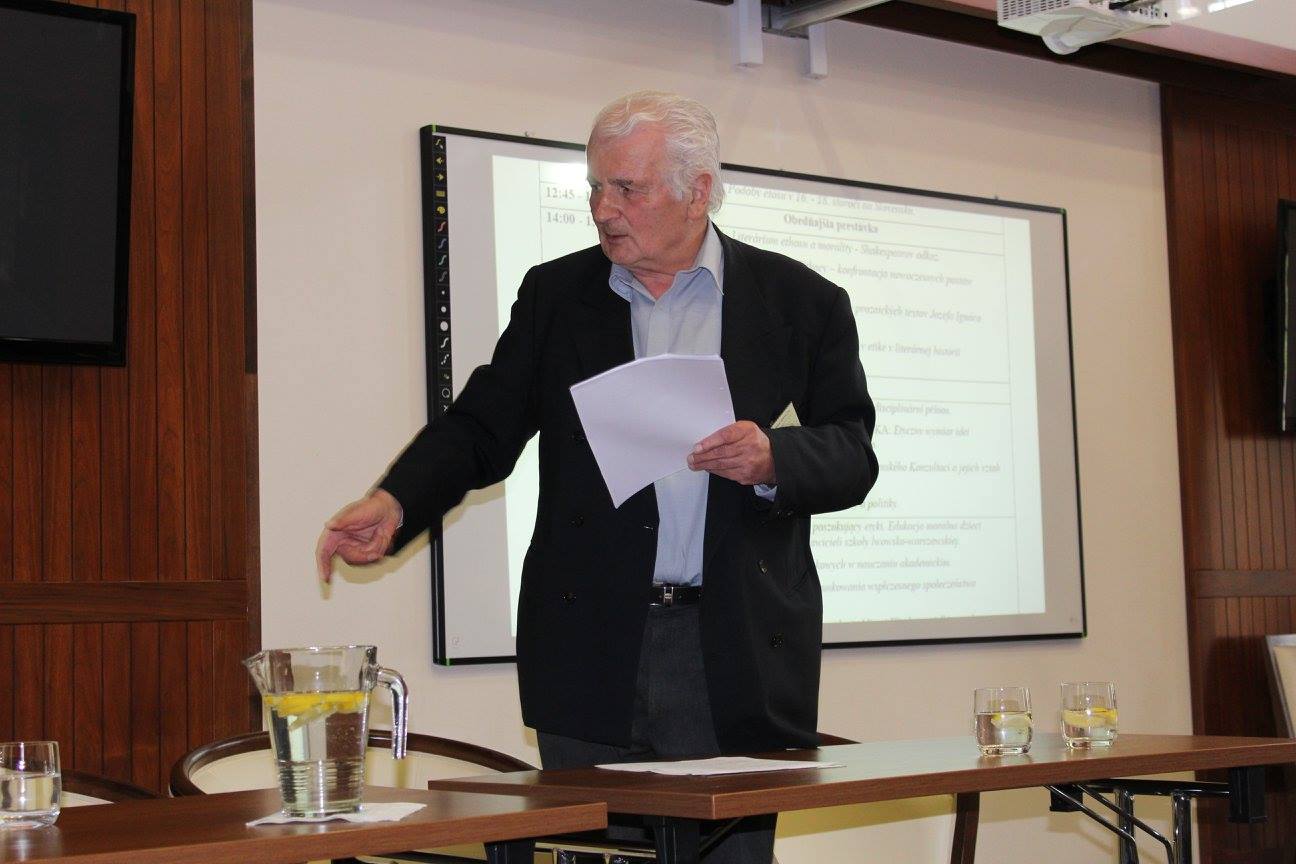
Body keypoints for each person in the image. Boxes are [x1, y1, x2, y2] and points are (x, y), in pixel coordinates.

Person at [316, 90, 877, 863]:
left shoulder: (802, 301)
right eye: (595, 187)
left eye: (627, 188)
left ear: (698, 192)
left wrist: (776, 458)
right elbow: (481, 426)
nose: (603, 209)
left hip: (734, 649)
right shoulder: (557, 296)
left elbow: (852, 451)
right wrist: (395, 500)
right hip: (593, 646)